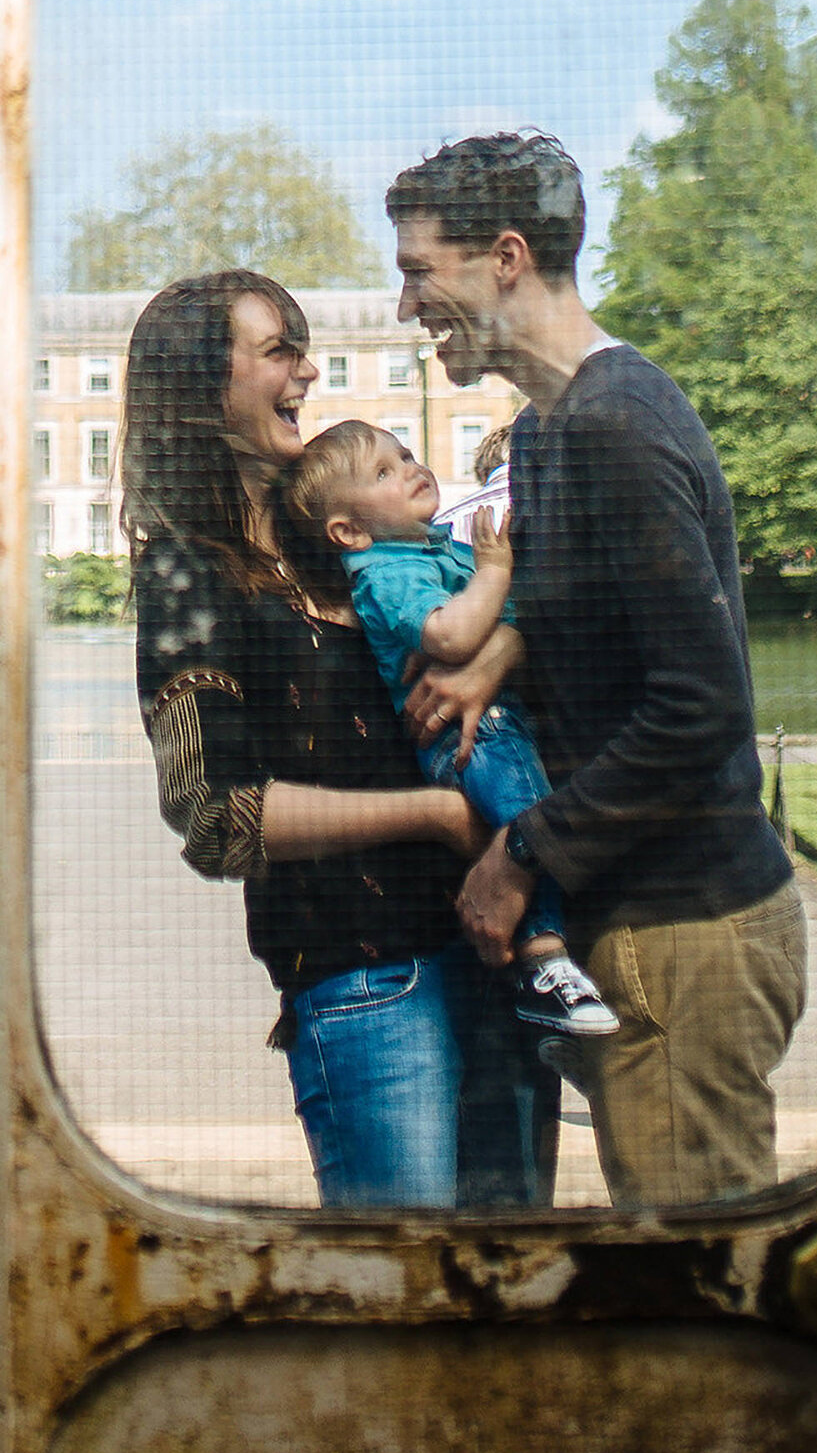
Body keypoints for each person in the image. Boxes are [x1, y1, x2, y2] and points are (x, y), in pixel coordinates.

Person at [389, 129, 806, 1210]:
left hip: (687, 930)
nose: (405, 308)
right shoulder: (551, 431)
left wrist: (521, 852)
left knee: (700, 1319)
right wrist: (505, 657)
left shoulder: (616, 427)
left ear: (506, 258)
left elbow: (698, 709)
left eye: (418, 273)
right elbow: (609, 625)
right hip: (643, 931)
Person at [124, 268, 540, 1213]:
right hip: (367, 985)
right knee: (402, 1292)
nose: (308, 373)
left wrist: (490, 656)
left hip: (486, 947)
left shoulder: (341, 540)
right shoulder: (188, 575)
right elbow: (212, 817)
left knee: (514, 1279)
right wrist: (437, 814)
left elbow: (502, 610)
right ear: (200, 388)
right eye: (279, 352)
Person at [273, 418, 617, 1052]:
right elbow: (452, 636)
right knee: (530, 822)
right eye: (383, 472)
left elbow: (519, 626)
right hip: (465, 735)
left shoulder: (436, 550)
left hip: (497, 718)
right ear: (348, 531)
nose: (410, 467)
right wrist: (492, 573)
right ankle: (544, 961)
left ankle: (546, 979)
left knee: (538, 814)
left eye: (404, 454)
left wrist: (504, 621)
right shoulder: (386, 571)